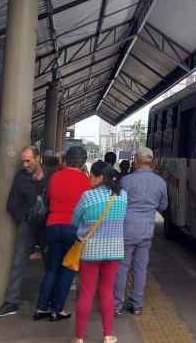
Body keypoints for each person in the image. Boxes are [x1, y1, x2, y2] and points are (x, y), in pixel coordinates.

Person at [0, 146, 56, 317]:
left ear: (38, 158)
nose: (25, 164)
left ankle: (51, 299)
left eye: (28, 160)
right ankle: (11, 301)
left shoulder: (53, 174)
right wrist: (26, 219)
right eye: (22, 161)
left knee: (51, 263)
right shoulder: (20, 178)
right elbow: (12, 204)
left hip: (49, 225)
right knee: (19, 261)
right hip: (28, 225)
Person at [72, 162, 128, 343]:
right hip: (114, 250)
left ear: (100, 178)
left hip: (90, 251)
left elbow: (75, 220)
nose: (89, 178)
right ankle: (108, 335)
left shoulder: (87, 197)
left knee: (86, 292)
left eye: (91, 176)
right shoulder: (122, 196)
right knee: (106, 291)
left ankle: (79, 338)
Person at [34, 146, 91, 322]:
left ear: (66, 160)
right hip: (72, 227)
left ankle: (41, 308)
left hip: (52, 225)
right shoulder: (85, 181)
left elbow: (49, 197)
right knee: (67, 269)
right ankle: (57, 310)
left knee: (52, 267)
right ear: (82, 163)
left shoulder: (55, 177)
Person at [113, 147, 168, 317]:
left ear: (136, 162)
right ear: (151, 162)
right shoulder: (161, 182)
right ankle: (137, 305)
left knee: (122, 267)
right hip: (146, 231)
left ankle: (117, 305)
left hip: (126, 229)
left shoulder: (126, 181)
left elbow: (117, 203)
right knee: (140, 268)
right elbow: (163, 206)